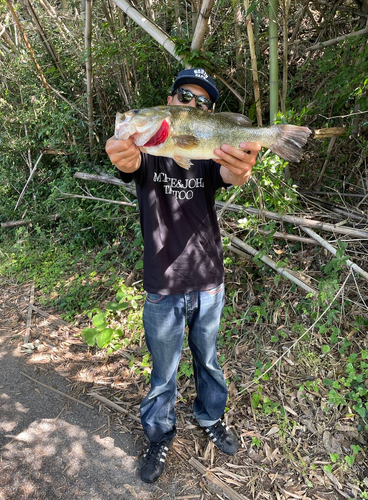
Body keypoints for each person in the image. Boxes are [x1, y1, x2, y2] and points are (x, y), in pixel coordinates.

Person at [105, 68, 261, 484]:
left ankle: (211, 416)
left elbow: (230, 173)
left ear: (209, 112)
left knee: (208, 362)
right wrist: (125, 151)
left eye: (203, 102)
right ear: (169, 102)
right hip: (162, 286)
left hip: (209, 281)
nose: (192, 104)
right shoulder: (148, 151)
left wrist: (242, 169)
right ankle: (159, 435)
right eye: (184, 96)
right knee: (164, 372)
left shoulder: (209, 151)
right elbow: (128, 161)